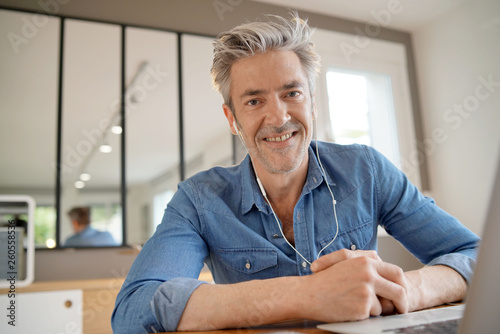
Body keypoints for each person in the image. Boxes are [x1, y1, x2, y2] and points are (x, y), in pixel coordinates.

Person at [112, 13, 479, 333]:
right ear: (232, 119)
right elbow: (132, 309)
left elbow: (475, 254)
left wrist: (402, 289)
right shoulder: (198, 200)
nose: (279, 118)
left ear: (313, 103)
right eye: (254, 101)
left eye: (292, 93)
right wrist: (307, 295)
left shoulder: (366, 169)